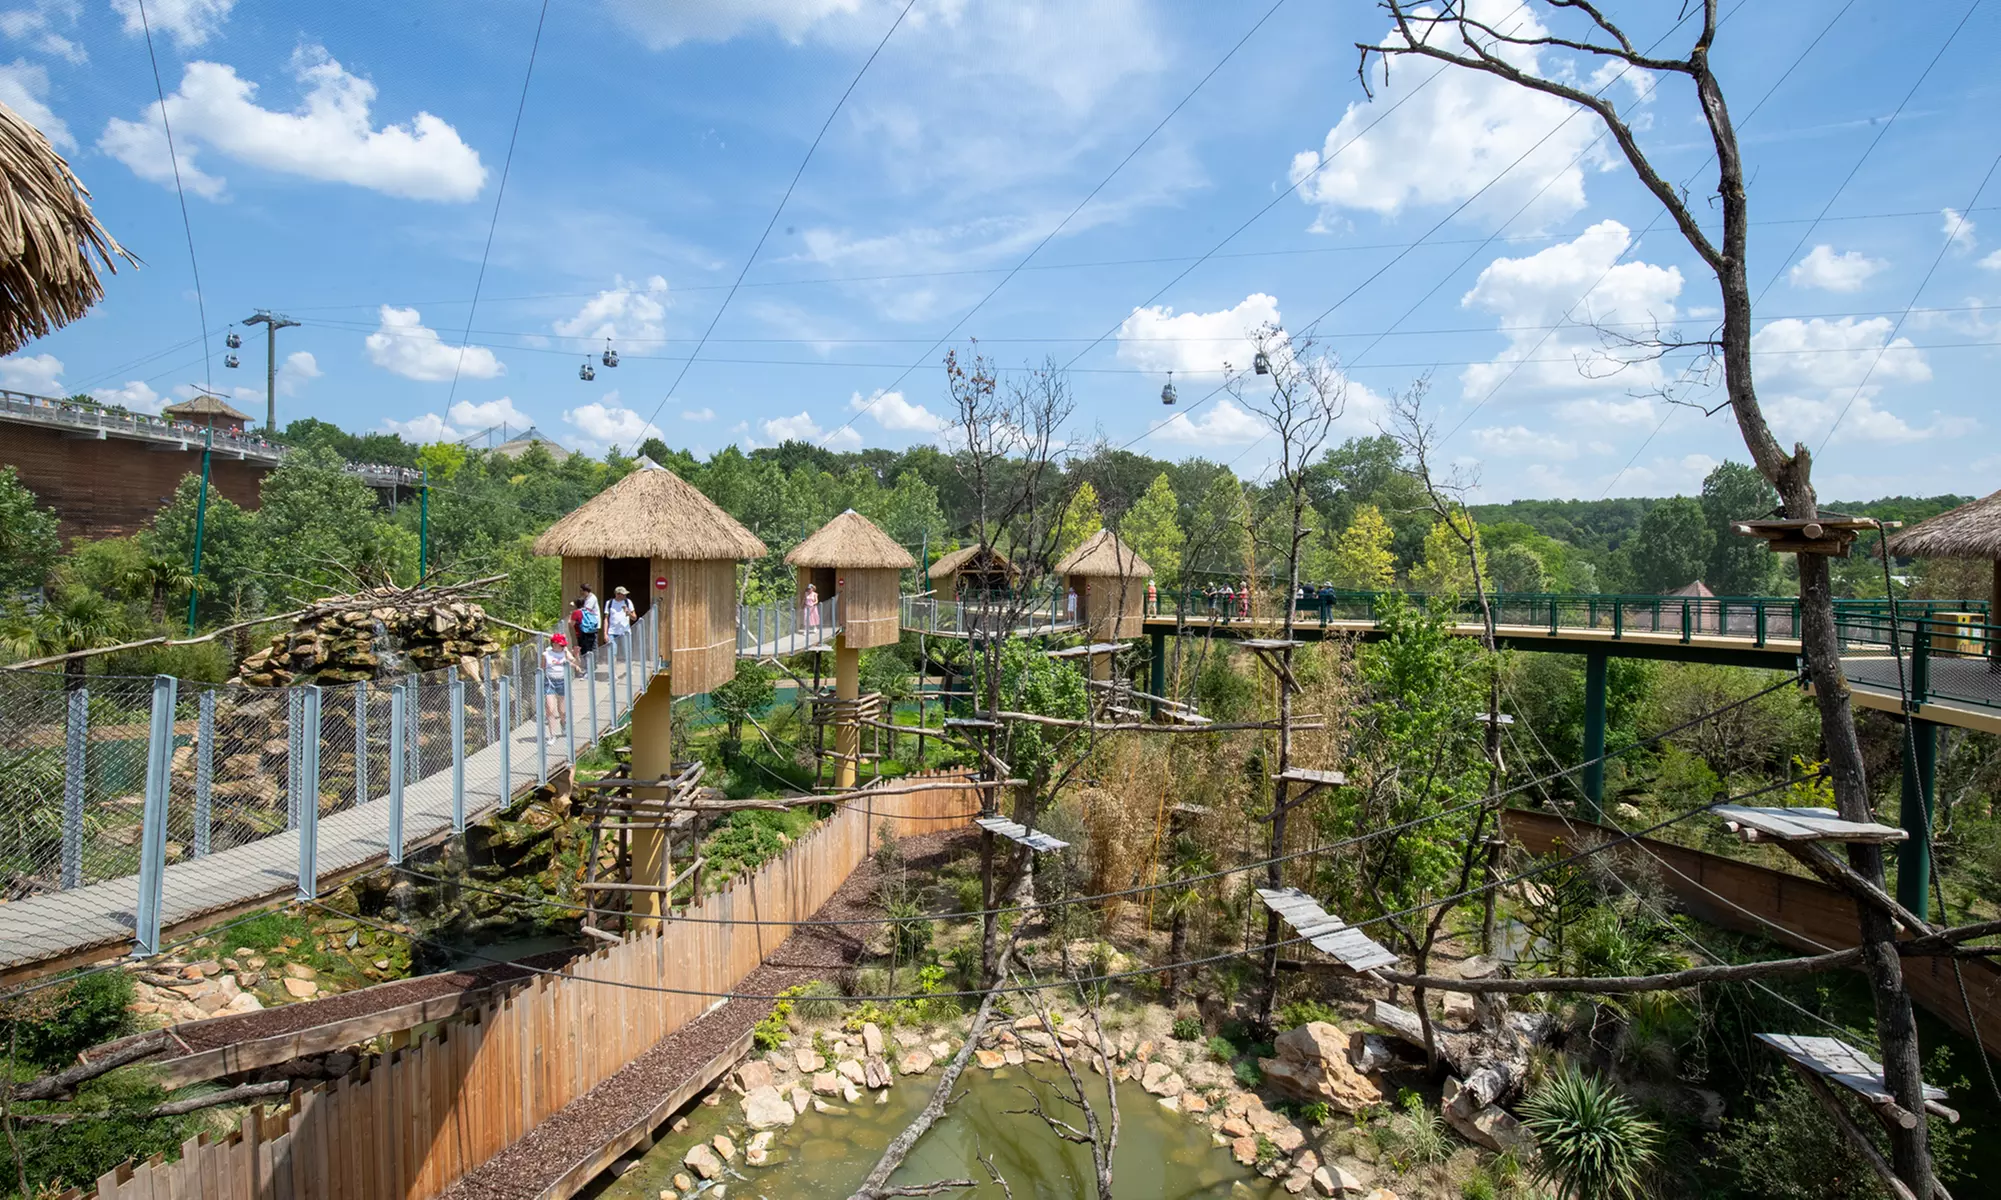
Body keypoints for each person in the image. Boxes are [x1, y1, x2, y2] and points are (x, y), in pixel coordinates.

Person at [541, 634, 577, 728]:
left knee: (562, 711)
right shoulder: (546, 654)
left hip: (562, 681)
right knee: (550, 709)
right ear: (554, 644)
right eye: (560, 644)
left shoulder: (564, 651)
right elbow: (542, 667)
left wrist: (574, 654)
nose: (562, 646)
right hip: (550, 681)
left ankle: (563, 722)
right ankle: (552, 735)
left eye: (563, 645)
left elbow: (573, 661)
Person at [605, 586, 635, 653]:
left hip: (625, 631)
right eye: (623, 594)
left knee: (627, 653)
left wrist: (628, 613)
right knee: (612, 653)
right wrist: (605, 633)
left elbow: (634, 618)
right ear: (617, 594)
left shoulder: (628, 602)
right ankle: (613, 663)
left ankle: (627, 663)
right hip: (612, 632)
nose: (625, 596)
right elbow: (606, 619)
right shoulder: (609, 603)